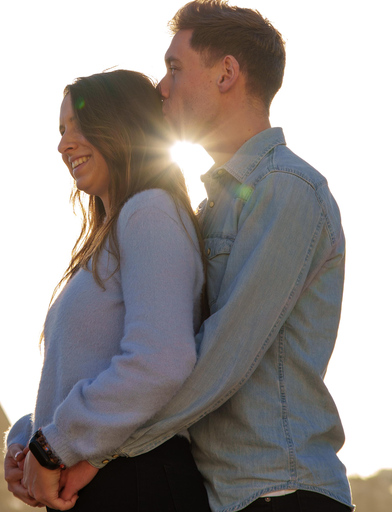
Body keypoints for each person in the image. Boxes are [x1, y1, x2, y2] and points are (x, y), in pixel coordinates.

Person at [47, 2, 353, 511]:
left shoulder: (286, 190)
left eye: (174, 68)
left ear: (227, 72)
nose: (162, 88)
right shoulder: (211, 207)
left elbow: (222, 357)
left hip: (277, 489)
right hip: (227, 493)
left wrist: (99, 451)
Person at [3, 69, 211, 511]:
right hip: (109, 478)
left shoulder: (149, 212)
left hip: (136, 481)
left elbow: (161, 361)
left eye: (79, 127)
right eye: (61, 132)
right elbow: (87, 368)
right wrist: (28, 440)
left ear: (124, 126)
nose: (63, 144)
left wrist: (50, 447)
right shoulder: (115, 233)